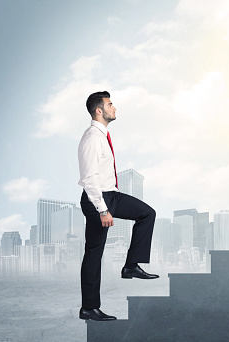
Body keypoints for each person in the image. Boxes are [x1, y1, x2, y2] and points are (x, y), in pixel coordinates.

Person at [77, 91, 159, 321]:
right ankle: (89, 308)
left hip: (112, 194)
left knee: (147, 213)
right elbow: (89, 179)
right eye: (110, 104)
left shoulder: (103, 135)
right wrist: (102, 210)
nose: (115, 107)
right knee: (94, 253)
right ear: (99, 110)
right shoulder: (93, 138)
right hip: (97, 200)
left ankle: (131, 266)